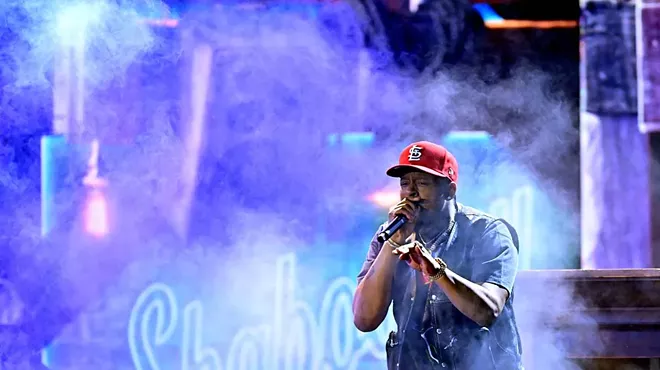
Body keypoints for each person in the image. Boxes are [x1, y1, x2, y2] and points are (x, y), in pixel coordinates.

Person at [352, 141, 523, 369]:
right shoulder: (390, 235)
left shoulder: (488, 232)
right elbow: (364, 319)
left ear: (450, 190)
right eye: (405, 184)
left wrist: (437, 272)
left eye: (422, 183)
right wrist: (392, 243)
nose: (410, 194)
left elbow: (488, 310)